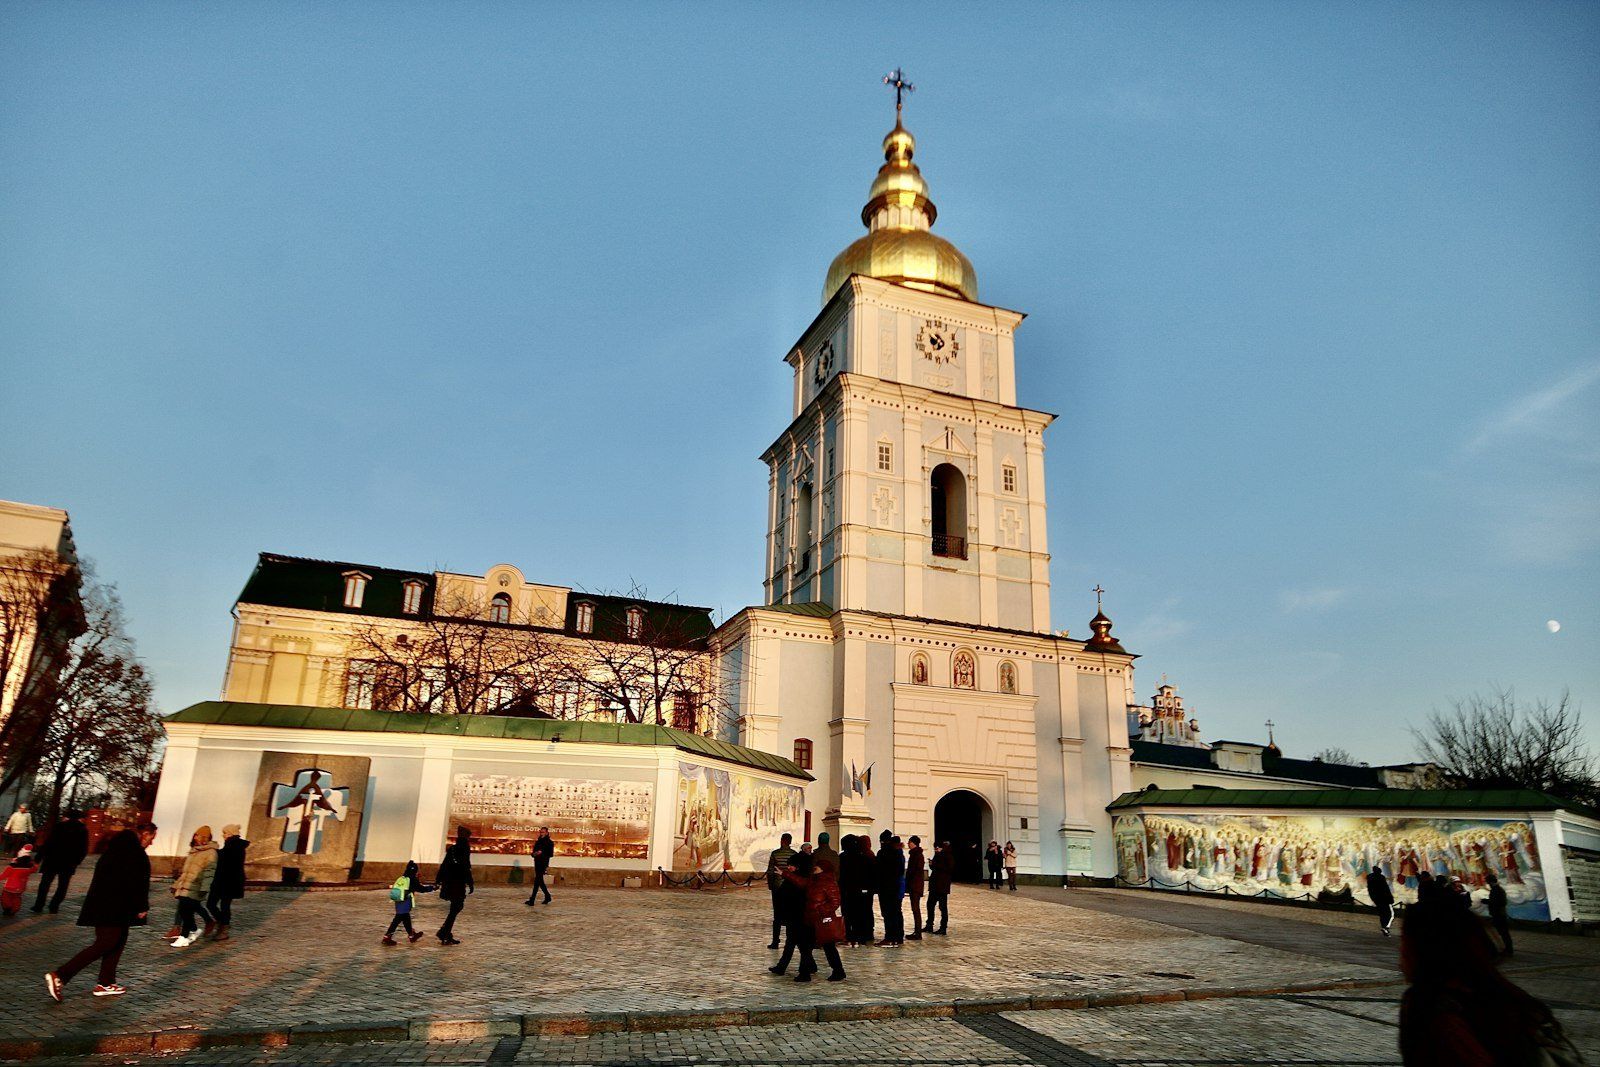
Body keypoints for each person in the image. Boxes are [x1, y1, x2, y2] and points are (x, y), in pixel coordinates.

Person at [1399, 897, 1580, 1065]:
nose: (1401, 951)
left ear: (1423, 949)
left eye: (1404, 941)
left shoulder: (1430, 1005)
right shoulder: (1507, 995)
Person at [45, 822, 156, 1001]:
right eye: (151, 838)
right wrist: (141, 906)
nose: (151, 842)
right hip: (115, 907)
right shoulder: (133, 852)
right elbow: (136, 882)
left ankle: (106, 982)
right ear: (144, 834)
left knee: (117, 941)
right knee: (105, 943)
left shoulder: (116, 848)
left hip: (107, 905)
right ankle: (61, 975)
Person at [32, 810, 89, 915]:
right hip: (69, 861)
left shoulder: (59, 826)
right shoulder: (82, 830)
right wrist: (77, 861)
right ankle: (54, 906)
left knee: (45, 883)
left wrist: (38, 857)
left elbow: (49, 842)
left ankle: (39, 905)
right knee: (63, 885)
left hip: (52, 858)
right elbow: (83, 848)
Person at [170, 826, 217, 947]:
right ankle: (195, 929)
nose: (196, 838)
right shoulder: (194, 851)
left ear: (205, 837)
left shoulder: (211, 853)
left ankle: (184, 937)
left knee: (187, 911)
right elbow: (185, 872)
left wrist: (205, 888)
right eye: (195, 835)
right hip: (186, 886)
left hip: (197, 886)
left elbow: (209, 872)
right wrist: (176, 885)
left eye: (199, 836)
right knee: (184, 910)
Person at [767, 851, 808, 977]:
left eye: (792, 865)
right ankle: (785, 967)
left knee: (798, 944)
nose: (789, 867)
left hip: (797, 916)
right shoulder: (793, 879)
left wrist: (784, 874)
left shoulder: (797, 880)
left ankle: (803, 972)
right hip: (794, 916)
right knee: (796, 943)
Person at [206, 824, 248, 941]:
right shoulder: (233, 844)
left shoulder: (234, 845)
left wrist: (214, 851)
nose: (223, 835)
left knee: (219, 904)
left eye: (224, 833)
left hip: (228, 881)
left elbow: (226, 859)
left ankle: (224, 927)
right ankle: (223, 925)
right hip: (226, 880)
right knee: (217, 904)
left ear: (230, 833)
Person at [434, 826, 473, 945]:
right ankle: (444, 933)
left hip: (449, 882)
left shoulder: (452, 849)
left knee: (455, 907)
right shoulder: (465, 849)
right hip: (457, 883)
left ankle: (445, 932)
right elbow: (466, 867)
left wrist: (438, 880)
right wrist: (470, 882)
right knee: (456, 907)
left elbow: (444, 864)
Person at [383, 861, 433, 945]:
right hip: (405, 901)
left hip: (398, 900)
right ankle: (387, 937)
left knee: (405, 918)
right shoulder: (412, 879)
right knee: (398, 918)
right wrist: (432, 888)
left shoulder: (403, 877)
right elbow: (421, 889)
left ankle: (411, 935)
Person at [764, 832, 796, 948]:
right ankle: (789, 940)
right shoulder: (794, 854)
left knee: (777, 915)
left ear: (782, 841)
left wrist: (771, 885)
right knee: (790, 914)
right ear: (790, 842)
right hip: (790, 887)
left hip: (777, 887)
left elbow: (770, 871)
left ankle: (775, 941)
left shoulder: (775, 854)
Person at [875, 834, 906, 947]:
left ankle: (890, 938)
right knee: (897, 912)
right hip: (896, 887)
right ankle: (898, 937)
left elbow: (879, 870)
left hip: (887, 888)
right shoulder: (899, 854)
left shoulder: (885, 853)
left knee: (889, 913)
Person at [925, 840, 953, 935]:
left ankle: (943, 927)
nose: (936, 849)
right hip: (935, 885)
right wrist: (931, 864)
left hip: (942, 886)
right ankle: (929, 925)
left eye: (937, 848)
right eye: (935, 848)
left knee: (942, 907)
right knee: (930, 905)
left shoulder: (947, 855)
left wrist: (935, 864)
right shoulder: (938, 855)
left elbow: (948, 868)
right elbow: (935, 868)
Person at [2, 845, 36, 916]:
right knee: (16, 898)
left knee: (6, 898)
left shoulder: (12, 867)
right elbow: (34, 869)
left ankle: (7, 908)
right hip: (20, 887)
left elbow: (3, 875)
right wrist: (32, 863)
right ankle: (14, 910)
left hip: (9, 886)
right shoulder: (29, 868)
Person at [526, 826, 555, 906]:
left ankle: (532, 900)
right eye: (540, 832)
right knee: (540, 881)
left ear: (546, 833)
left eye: (543, 832)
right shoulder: (538, 841)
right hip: (537, 862)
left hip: (543, 863)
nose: (541, 833)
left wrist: (541, 853)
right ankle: (547, 896)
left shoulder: (549, 842)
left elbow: (550, 854)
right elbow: (533, 852)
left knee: (537, 881)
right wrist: (534, 854)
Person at [904, 835, 926, 941]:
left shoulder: (917, 855)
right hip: (915, 885)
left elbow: (914, 871)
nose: (908, 844)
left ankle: (918, 932)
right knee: (915, 909)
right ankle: (917, 931)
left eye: (909, 842)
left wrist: (909, 883)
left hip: (915, 886)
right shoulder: (915, 854)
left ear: (913, 843)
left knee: (916, 909)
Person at [1486, 873, 1512, 958]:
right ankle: (1508, 949)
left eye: (1488, 882)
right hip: (1499, 914)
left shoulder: (1496, 890)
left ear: (1490, 882)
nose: (1488, 884)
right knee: (1503, 933)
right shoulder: (1497, 889)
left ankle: (1509, 950)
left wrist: (1488, 902)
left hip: (1499, 915)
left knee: (1504, 933)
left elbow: (1499, 902)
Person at [1366, 863, 1395, 937]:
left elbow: (1370, 890)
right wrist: (1390, 899)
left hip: (1377, 899)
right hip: (1385, 898)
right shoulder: (1381, 878)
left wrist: (1373, 899)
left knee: (1382, 914)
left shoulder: (1370, 878)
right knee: (1390, 914)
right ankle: (1386, 927)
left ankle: (1384, 927)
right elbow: (1385, 889)